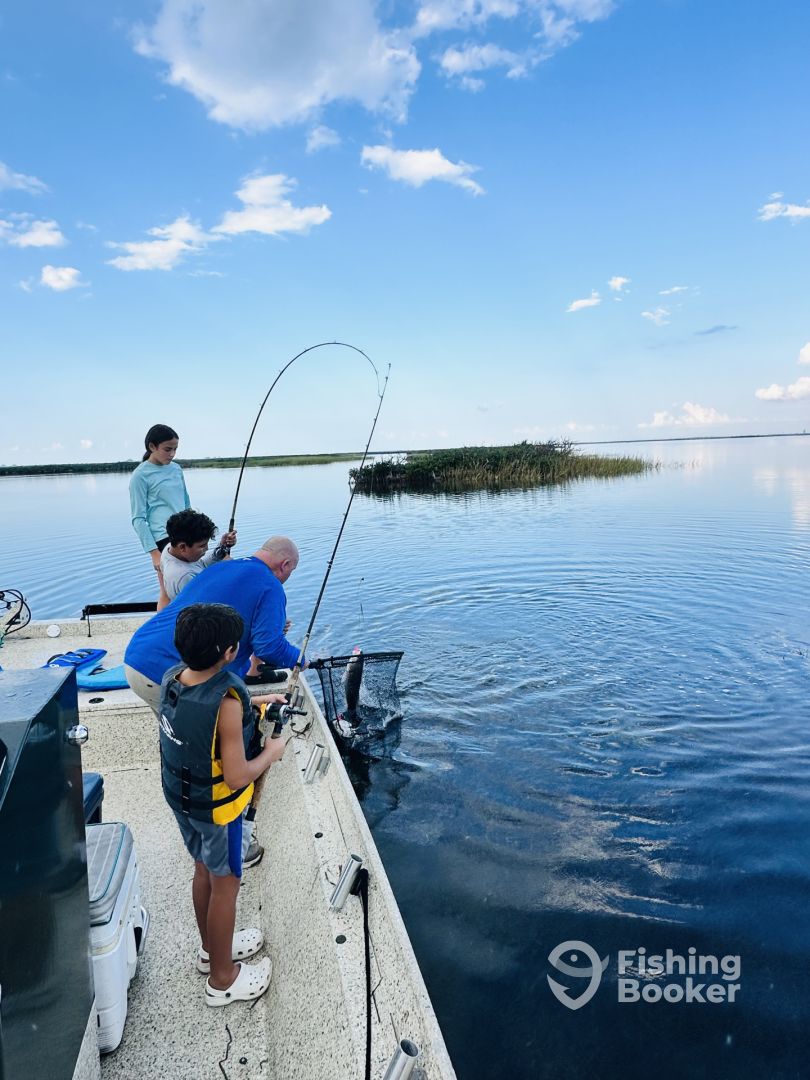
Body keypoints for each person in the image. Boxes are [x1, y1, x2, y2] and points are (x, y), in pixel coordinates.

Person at [159, 602, 287, 1006]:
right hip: (219, 812)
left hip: (185, 802)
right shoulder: (228, 704)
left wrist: (262, 701)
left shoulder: (172, 678)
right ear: (230, 652)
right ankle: (222, 979)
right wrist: (272, 752)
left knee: (204, 872)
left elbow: (205, 720)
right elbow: (236, 776)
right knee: (226, 885)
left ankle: (211, 949)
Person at [124, 536, 305, 715]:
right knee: (209, 741)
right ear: (285, 564)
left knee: (173, 737)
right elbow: (269, 647)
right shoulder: (271, 586)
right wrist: (301, 660)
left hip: (136, 657)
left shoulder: (220, 567)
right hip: (170, 674)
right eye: (292, 569)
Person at [129, 424, 189, 610]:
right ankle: (160, 635)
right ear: (152, 447)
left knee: (192, 586)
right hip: (163, 539)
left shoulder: (176, 469)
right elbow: (138, 519)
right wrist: (154, 553)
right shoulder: (140, 475)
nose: (172, 454)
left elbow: (186, 504)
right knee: (167, 591)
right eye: (167, 449)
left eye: (175, 449)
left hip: (186, 535)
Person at [161, 509, 237, 602]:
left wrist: (222, 546)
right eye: (202, 546)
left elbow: (200, 564)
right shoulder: (184, 576)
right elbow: (207, 600)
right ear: (182, 547)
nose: (207, 548)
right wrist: (222, 569)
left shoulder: (170, 549)